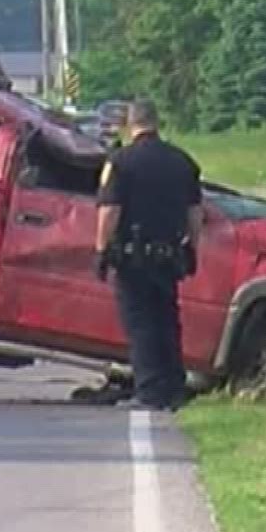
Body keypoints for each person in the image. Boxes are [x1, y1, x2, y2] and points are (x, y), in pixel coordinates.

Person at [94, 98, 203, 411]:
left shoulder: (121, 162)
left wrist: (101, 250)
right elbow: (195, 212)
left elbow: (110, 210)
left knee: (140, 323)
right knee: (167, 320)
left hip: (133, 256)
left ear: (131, 124)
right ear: (157, 122)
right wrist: (192, 247)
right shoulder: (182, 161)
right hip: (170, 254)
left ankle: (150, 393)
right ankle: (173, 388)